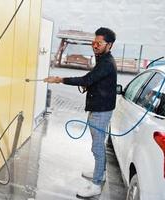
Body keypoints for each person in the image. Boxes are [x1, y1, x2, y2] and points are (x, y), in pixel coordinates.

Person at [44, 27, 117, 198]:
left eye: (99, 43)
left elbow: (87, 79)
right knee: (97, 146)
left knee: (97, 147)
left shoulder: (106, 63)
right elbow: (94, 79)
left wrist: (60, 79)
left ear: (110, 45)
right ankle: (101, 172)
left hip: (101, 111)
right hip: (99, 108)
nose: (95, 46)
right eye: (94, 42)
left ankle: (96, 184)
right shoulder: (103, 59)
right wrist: (90, 83)